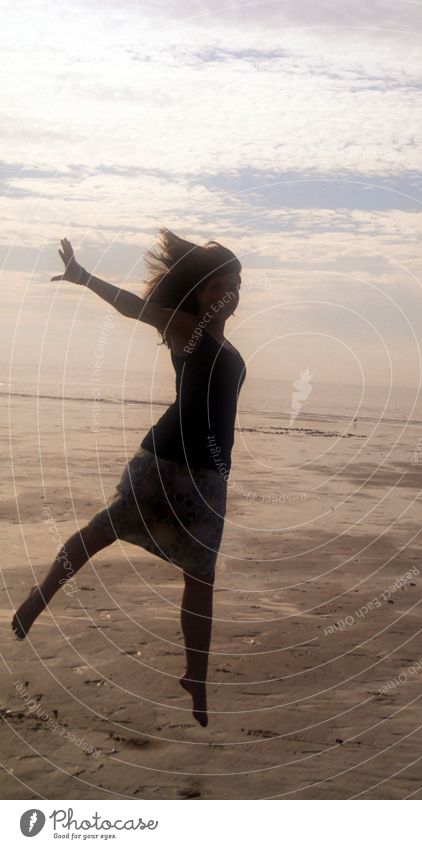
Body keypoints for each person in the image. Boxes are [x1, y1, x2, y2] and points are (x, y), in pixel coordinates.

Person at [11, 230, 247, 727]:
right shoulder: (190, 328)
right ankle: (38, 598)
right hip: (163, 464)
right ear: (199, 293)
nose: (228, 293)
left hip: (207, 476)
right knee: (103, 531)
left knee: (201, 576)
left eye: (235, 283)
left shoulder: (222, 341)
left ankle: (196, 678)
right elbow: (130, 308)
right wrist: (82, 277)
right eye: (216, 285)